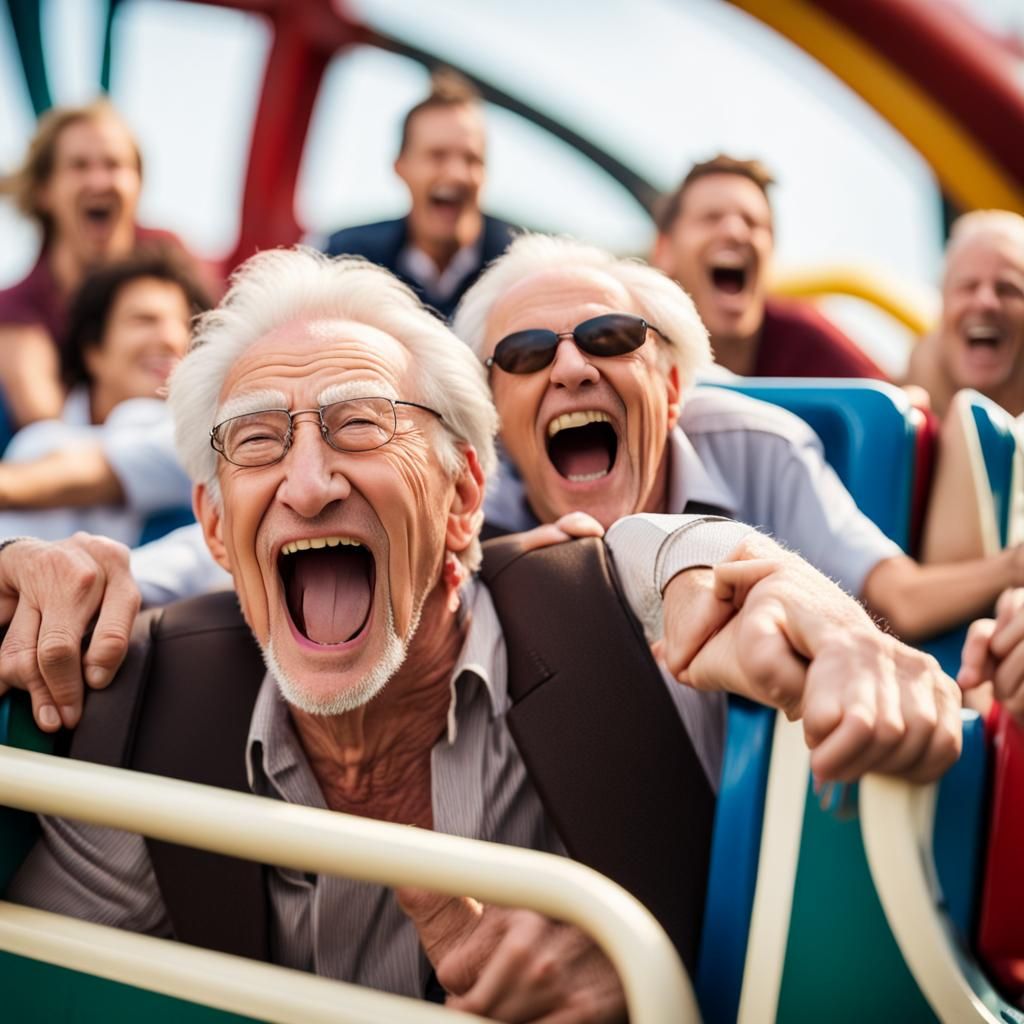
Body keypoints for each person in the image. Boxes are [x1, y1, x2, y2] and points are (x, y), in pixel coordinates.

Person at [4, 250, 959, 1019]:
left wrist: (843, 642)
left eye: (360, 426)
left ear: (464, 492)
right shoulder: (152, 728)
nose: (306, 483)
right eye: (257, 439)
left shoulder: (603, 595)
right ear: (215, 526)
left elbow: (721, 569)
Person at [454, 233, 1024, 644]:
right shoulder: (462, 510)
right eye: (526, 353)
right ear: (493, 412)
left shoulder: (763, 449)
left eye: (610, 337)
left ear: (672, 386)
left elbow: (895, 600)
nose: (572, 368)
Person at [0, 99, 193, 427]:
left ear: (137, 184)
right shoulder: (19, 306)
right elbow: (44, 420)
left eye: (114, 165)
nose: (100, 182)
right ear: (45, 189)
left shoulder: (169, 259)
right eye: (79, 166)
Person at [0, 251, 208, 545]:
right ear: (93, 350)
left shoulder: (202, 437)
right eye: (145, 320)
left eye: (185, 325)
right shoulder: (35, 440)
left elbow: (101, 473)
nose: (172, 339)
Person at [651, 154, 886, 380]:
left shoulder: (805, 340)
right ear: (664, 250)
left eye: (752, 222)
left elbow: (896, 405)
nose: (735, 232)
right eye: (711, 217)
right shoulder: (634, 343)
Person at [324, 69, 515, 319]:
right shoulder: (349, 261)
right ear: (401, 167)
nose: (456, 174)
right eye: (437, 155)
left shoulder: (520, 264)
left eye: (471, 159)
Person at [904, 210, 1024, 419]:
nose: (985, 302)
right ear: (942, 303)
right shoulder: (899, 415)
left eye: (1007, 288)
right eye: (968, 287)